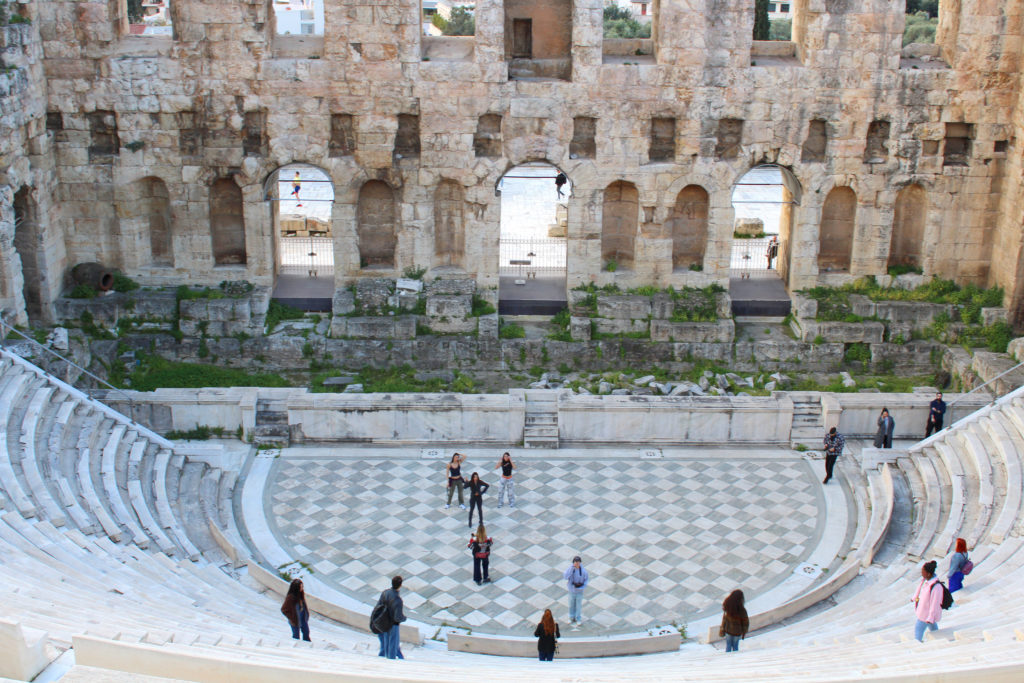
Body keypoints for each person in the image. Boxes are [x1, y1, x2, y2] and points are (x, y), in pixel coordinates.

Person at [373, 575, 406, 659]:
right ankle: (392, 662)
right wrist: (404, 618)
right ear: (400, 585)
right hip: (392, 624)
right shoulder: (398, 600)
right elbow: (398, 617)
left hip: (382, 622)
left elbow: (378, 606)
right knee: (392, 646)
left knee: (385, 645)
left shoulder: (385, 593)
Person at [912, 561, 944, 642]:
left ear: (929, 574)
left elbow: (935, 603)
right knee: (933, 627)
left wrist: (930, 616)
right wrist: (914, 598)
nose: (921, 573)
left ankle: (917, 643)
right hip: (924, 611)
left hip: (927, 614)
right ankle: (938, 639)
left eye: (923, 571)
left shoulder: (936, 587)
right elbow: (919, 589)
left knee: (918, 629)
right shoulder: (925, 581)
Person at [563, 555, 589, 629]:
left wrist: (581, 587)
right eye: (575, 562)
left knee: (578, 605)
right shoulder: (571, 569)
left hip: (579, 591)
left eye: (578, 562)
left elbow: (586, 580)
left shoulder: (583, 571)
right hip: (572, 590)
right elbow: (565, 576)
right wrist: (571, 569)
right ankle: (571, 617)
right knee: (571, 605)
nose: (577, 564)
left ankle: (578, 618)